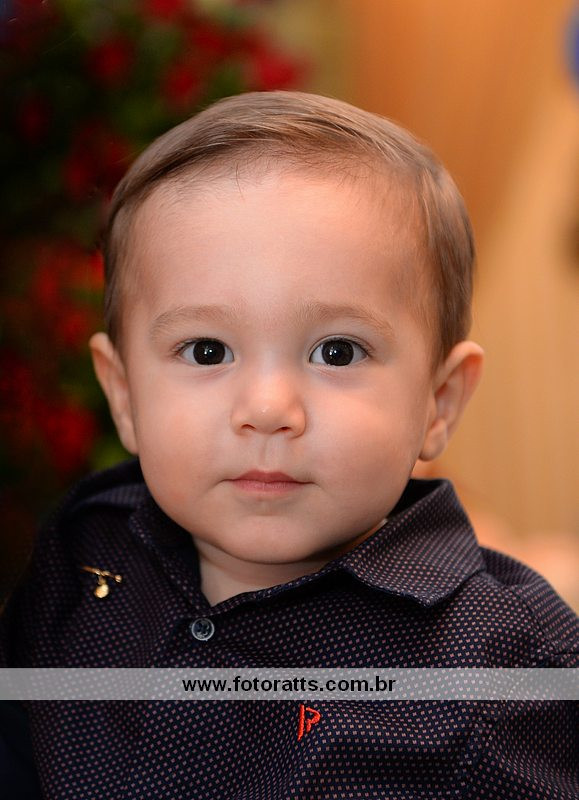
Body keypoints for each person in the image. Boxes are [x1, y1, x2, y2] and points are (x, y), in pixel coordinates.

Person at [1, 91, 577, 799]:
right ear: (124, 395)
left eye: (337, 351)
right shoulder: (82, 559)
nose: (269, 409)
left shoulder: (502, 673)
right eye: (207, 350)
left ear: (439, 401)